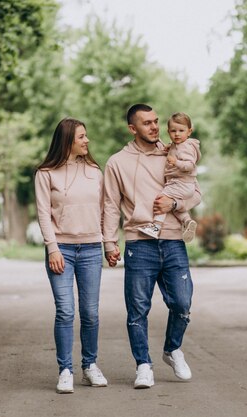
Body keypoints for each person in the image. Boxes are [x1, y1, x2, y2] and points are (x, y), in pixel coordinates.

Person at [103, 104, 201, 389]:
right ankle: (143, 365)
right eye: (147, 123)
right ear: (132, 128)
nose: (155, 127)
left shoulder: (174, 153)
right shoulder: (117, 162)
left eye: (156, 121)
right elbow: (110, 205)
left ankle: (172, 349)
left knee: (182, 303)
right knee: (137, 311)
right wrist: (110, 242)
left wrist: (175, 204)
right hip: (138, 243)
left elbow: (195, 191)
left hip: (173, 240)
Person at [35, 117, 108, 394]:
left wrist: (108, 243)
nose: (87, 141)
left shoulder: (94, 171)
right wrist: (52, 247)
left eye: (86, 136)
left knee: (90, 312)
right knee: (65, 311)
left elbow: (104, 210)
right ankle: (65, 370)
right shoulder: (45, 173)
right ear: (67, 141)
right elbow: (43, 212)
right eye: (81, 137)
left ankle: (90, 366)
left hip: (91, 248)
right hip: (61, 250)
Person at [137, 112, 200, 243]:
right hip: (182, 185)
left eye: (181, 131)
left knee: (162, 199)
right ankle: (187, 221)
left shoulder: (186, 146)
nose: (177, 134)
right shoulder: (176, 145)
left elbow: (190, 165)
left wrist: (176, 162)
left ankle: (156, 227)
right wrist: (169, 148)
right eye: (173, 131)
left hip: (181, 183)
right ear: (168, 131)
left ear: (189, 132)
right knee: (173, 206)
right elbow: (175, 150)